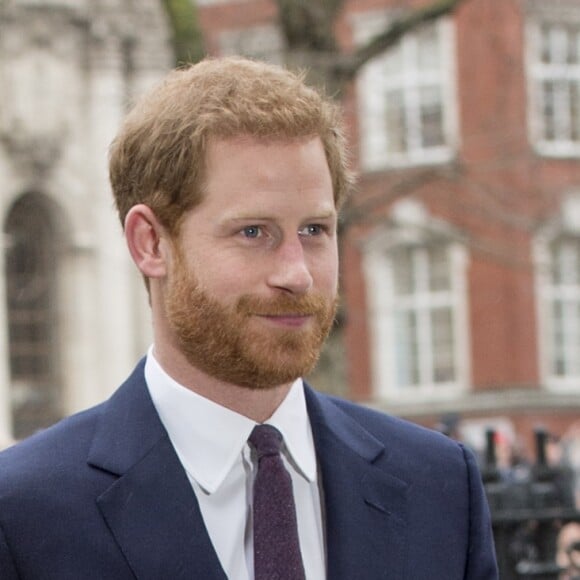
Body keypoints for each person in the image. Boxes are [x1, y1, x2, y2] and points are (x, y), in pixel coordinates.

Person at [0, 56, 498, 579]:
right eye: (254, 232)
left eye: (314, 230)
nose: (297, 274)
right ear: (150, 243)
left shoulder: (438, 486)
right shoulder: (24, 513)